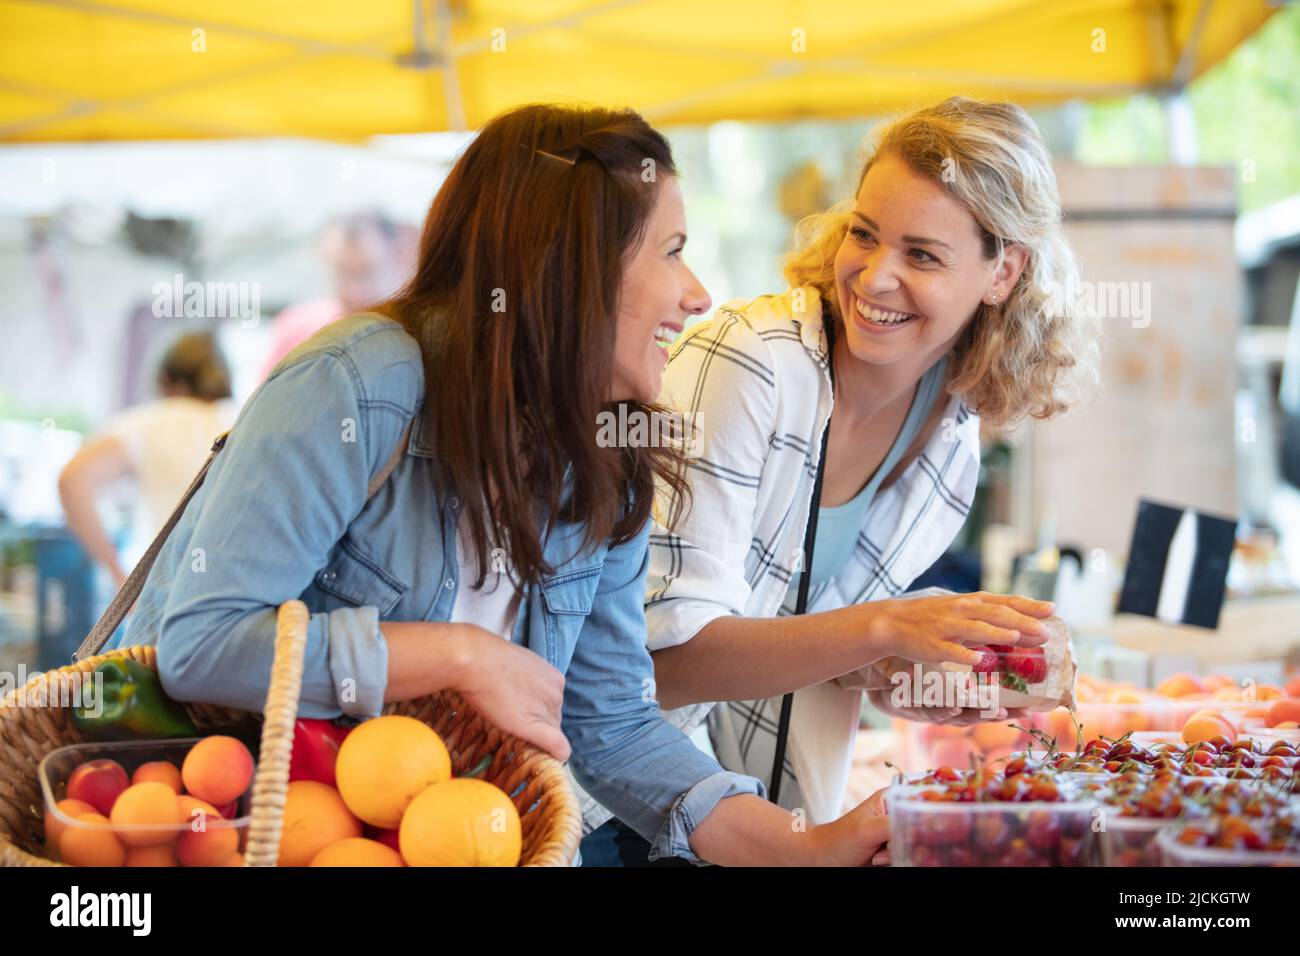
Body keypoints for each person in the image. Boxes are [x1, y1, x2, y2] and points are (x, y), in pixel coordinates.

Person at [120, 103, 891, 866]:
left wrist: (810, 848)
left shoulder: (606, 462)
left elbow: (612, 724)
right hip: (210, 835)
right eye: (671, 251)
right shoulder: (358, 383)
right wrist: (455, 655)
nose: (698, 294)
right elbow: (204, 645)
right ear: (568, 263)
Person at [582, 97, 1100, 862]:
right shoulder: (753, 363)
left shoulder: (950, 439)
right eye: (865, 233)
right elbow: (657, 668)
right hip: (617, 817)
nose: (877, 276)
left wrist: (921, 674)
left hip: (763, 823)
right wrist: (885, 627)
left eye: (922, 255)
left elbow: (809, 647)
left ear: (1004, 271)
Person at [59, 331, 237, 588]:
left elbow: (72, 480)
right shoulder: (245, 418)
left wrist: (116, 572)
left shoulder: (149, 423)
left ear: (165, 380)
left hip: (166, 592)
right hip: (237, 596)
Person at [257, 212, 414, 380]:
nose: (354, 291)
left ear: (398, 258)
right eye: (342, 274)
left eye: (365, 274)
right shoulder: (296, 329)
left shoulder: (415, 334)